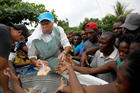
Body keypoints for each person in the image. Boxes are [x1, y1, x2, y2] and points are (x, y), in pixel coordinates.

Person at [55, 49, 140, 93]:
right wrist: (63, 87)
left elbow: (78, 92)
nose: (116, 83)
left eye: (120, 81)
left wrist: (70, 68)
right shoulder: (118, 86)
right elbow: (86, 89)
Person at [0, 23, 28, 93]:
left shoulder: (4, 28)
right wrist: (7, 89)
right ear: (19, 32)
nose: (18, 41)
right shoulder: (7, 37)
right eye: (20, 38)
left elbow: (4, 66)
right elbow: (3, 67)